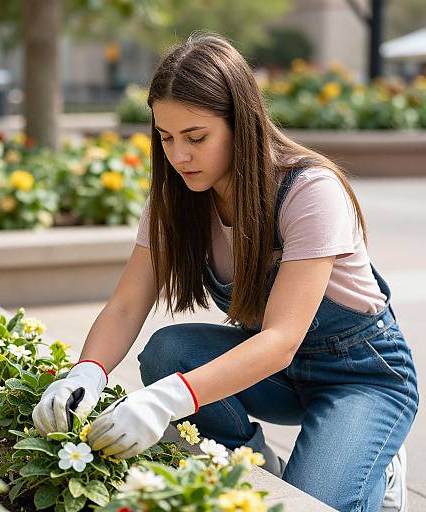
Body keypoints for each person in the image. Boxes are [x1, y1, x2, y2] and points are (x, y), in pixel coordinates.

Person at [32, 32, 419, 512]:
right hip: (277, 374)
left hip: (360, 376)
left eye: (196, 138)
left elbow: (281, 339)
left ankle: (376, 464)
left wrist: (163, 402)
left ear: (243, 124)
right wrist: (85, 373)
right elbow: (128, 303)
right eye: (166, 138)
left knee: (310, 506)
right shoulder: (175, 200)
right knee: (170, 351)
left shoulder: (309, 192)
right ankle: (254, 468)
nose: (179, 157)